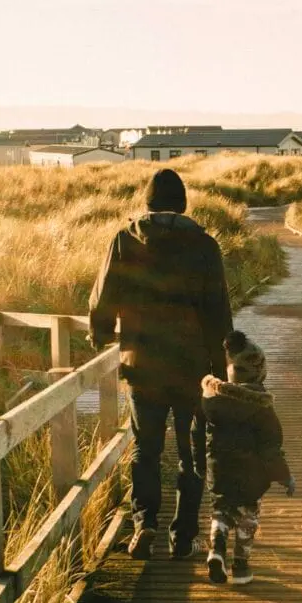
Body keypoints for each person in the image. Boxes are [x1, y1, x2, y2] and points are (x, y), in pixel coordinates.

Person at [88, 168, 233, 560]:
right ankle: (184, 535)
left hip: (142, 364)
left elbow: (102, 297)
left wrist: (101, 336)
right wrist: (221, 369)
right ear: (182, 205)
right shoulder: (204, 245)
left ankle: (144, 523)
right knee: (191, 455)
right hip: (192, 366)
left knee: (146, 450)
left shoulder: (124, 241)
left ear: (148, 204)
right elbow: (219, 311)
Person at [200, 330, 296, 585]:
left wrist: (203, 465)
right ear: (259, 372)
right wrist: (285, 477)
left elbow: (203, 438)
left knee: (221, 511)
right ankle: (240, 567)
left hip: (219, 471)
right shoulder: (262, 409)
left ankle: (216, 550)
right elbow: (270, 449)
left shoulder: (213, 402)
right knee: (247, 517)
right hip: (250, 475)